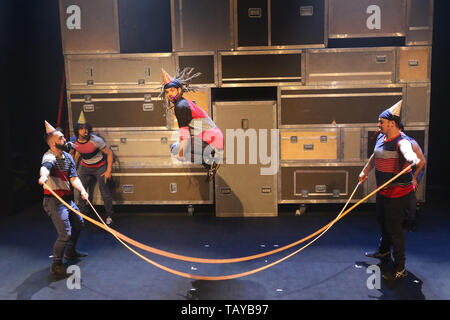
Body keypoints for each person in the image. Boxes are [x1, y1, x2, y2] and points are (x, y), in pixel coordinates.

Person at [358, 100, 420, 281]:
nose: (379, 125)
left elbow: (408, 152)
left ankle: (400, 267)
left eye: (381, 122)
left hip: (398, 196)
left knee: (395, 230)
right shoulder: (381, 137)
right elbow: (374, 155)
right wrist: (365, 170)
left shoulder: (402, 142)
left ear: (392, 123)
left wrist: (412, 159)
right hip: (383, 192)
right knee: (383, 223)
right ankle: (384, 252)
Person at [38, 121, 89, 277]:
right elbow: (45, 167)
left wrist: (82, 190)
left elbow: (73, 178)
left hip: (67, 199)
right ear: (53, 143)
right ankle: (56, 265)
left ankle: (70, 252)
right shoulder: (49, 156)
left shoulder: (67, 157)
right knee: (64, 233)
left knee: (79, 223)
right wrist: (44, 176)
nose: (64, 140)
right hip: (54, 201)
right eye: (61, 138)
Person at [161, 68, 224, 181]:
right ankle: (210, 164)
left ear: (179, 90)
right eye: (167, 92)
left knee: (177, 149)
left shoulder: (181, 107)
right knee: (175, 147)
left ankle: (212, 159)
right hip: (211, 138)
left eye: (172, 90)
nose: (169, 94)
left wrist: (180, 155)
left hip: (213, 141)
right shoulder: (183, 103)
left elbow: (186, 136)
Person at [69, 111, 115, 226]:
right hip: (85, 167)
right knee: (81, 191)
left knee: (104, 192)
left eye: (86, 128)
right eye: (81, 129)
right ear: (77, 130)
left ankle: (109, 216)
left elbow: (109, 153)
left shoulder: (96, 140)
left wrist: (108, 170)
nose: (85, 131)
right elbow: (72, 154)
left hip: (100, 167)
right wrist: (72, 167)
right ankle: (83, 215)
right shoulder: (74, 141)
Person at [399, 122, 427, 232]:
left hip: (417, 169)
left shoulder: (410, 142)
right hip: (407, 170)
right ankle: (403, 219)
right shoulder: (396, 142)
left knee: (410, 194)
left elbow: (422, 163)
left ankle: (410, 222)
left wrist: (414, 178)